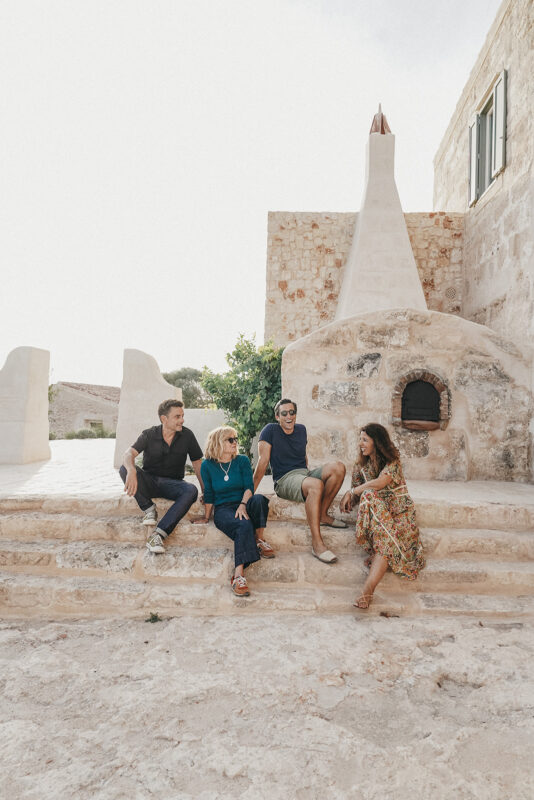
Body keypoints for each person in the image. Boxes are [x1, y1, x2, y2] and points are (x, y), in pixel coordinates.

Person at [339, 423, 425, 609]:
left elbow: (379, 483)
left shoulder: (392, 461)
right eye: (360, 439)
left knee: (370, 496)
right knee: (371, 503)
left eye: (365, 440)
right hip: (379, 520)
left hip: (400, 518)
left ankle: (367, 591)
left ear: (376, 443)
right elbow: (357, 495)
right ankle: (366, 592)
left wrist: (352, 491)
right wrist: (348, 498)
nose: (360, 444)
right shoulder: (360, 466)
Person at [253, 398, 346, 564]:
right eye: (284, 413)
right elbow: (263, 462)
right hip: (284, 480)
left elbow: (303, 456)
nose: (289, 416)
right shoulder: (270, 430)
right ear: (277, 416)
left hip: (303, 475)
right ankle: (317, 544)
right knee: (316, 485)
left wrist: (307, 476)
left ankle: (323, 514)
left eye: (292, 412)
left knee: (338, 467)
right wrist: (249, 492)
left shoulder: (301, 429)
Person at [193, 426, 274, 597]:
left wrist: (243, 504)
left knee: (260, 500)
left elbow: (249, 487)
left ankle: (259, 539)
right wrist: (207, 517)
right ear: (218, 442)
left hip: (243, 501)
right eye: (230, 439)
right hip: (223, 509)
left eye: (236, 439)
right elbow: (209, 493)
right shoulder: (207, 465)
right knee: (243, 524)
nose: (235, 442)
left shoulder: (242, 460)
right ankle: (238, 576)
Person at [120, 399, 204, 553]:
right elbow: (128, 454)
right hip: (149, 481)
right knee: (124, 469)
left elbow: (198, 464)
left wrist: (206, 491)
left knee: (191, 490)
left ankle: (158, 534)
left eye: (182, 416)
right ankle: (148, 508)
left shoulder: (187, 435)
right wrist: (132, 470)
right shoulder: (149, 434)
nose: (182, 420)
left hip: (172, 484)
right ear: (164, 419)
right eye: (177, 416)